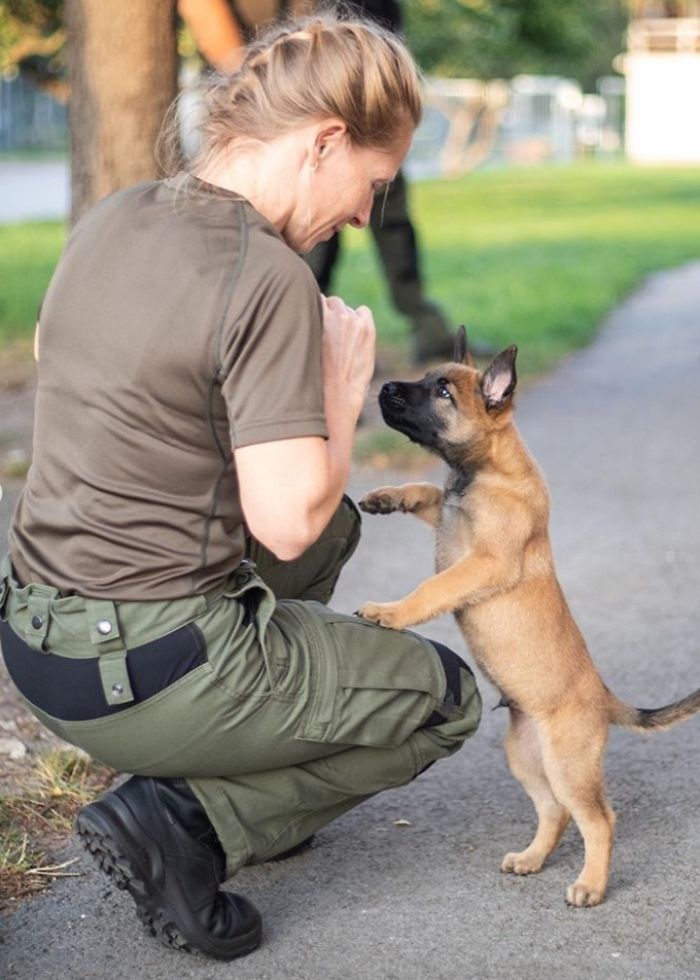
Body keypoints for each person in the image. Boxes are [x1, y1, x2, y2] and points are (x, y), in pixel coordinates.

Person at [0, 13, 482, 962]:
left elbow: (65, 358)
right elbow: (286, 523)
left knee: (344, 524)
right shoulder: (264, 274)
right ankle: (186, 822)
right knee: (445, 700)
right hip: (143, 674)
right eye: (372, 186)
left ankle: (238, 762)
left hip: (37, 645)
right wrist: (341, 394)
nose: (362, 216)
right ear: (325, 142)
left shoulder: (122, 212)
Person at [179, 0, 491, 364]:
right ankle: (299, 348)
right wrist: (258, 81)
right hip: (289, 101)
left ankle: (422, 327)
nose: (362, 214)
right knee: (305, 240)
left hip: (366, 97)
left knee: (392, 223)